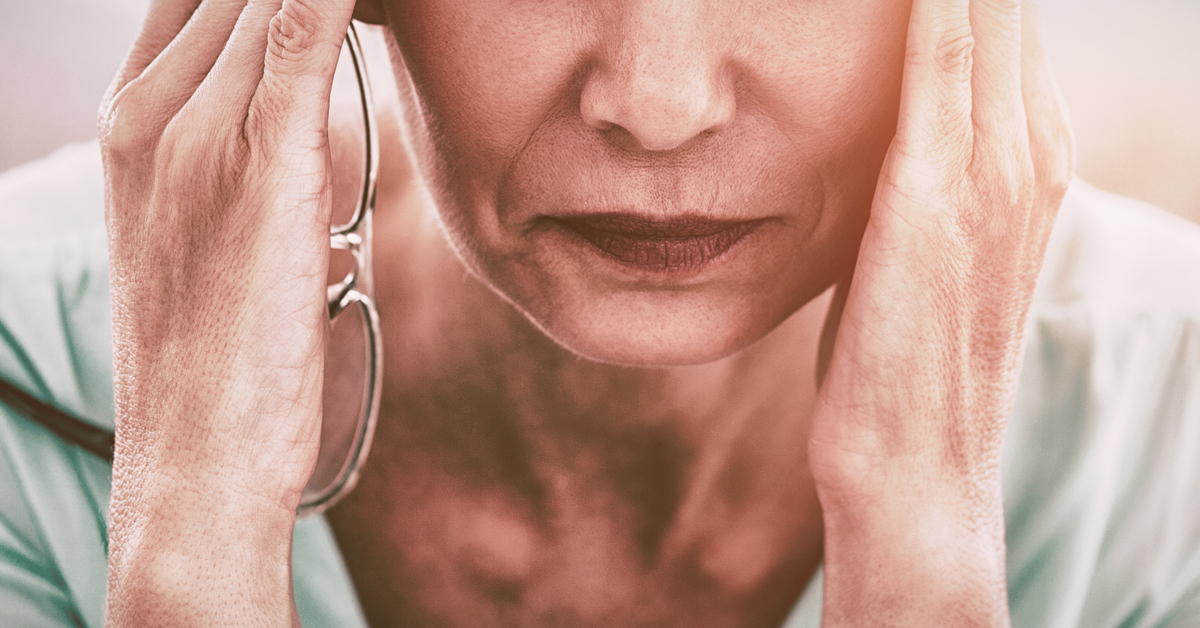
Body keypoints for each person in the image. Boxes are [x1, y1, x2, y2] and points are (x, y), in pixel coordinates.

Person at [1, 0, 1199, 626]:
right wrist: (191, 533)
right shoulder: (23, 367)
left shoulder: (1173, 434)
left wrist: (921, 536)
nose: (659, 103)